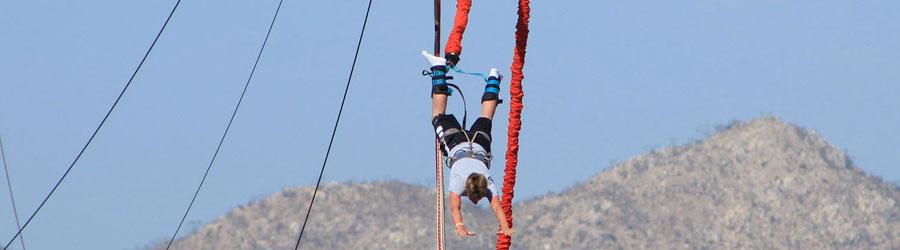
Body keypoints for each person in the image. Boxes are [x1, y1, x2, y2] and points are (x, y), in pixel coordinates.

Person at [422, 51, 513, 238]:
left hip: (479, 144)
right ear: (468, 188)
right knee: (437, 116)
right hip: (457, 144)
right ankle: (438, 68)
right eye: (476, 198)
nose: (476, 201)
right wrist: (459, 225)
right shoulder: (460, 182)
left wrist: (504, 226)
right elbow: (455, 207)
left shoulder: (487, 182)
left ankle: (494, 78)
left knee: (486, 117)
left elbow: (496, 206)